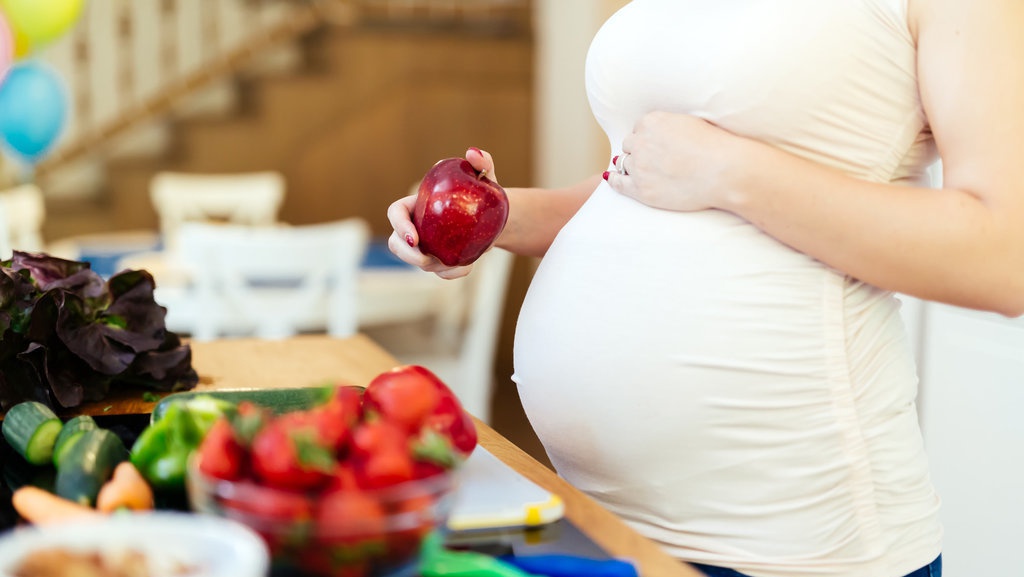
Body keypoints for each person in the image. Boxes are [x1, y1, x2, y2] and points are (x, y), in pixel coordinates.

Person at [387, 1, 1024, 576]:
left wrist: (729, 172)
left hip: (791, 548)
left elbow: (1002, 256)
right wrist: (490, 215)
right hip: (601, 523)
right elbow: (640, 180)